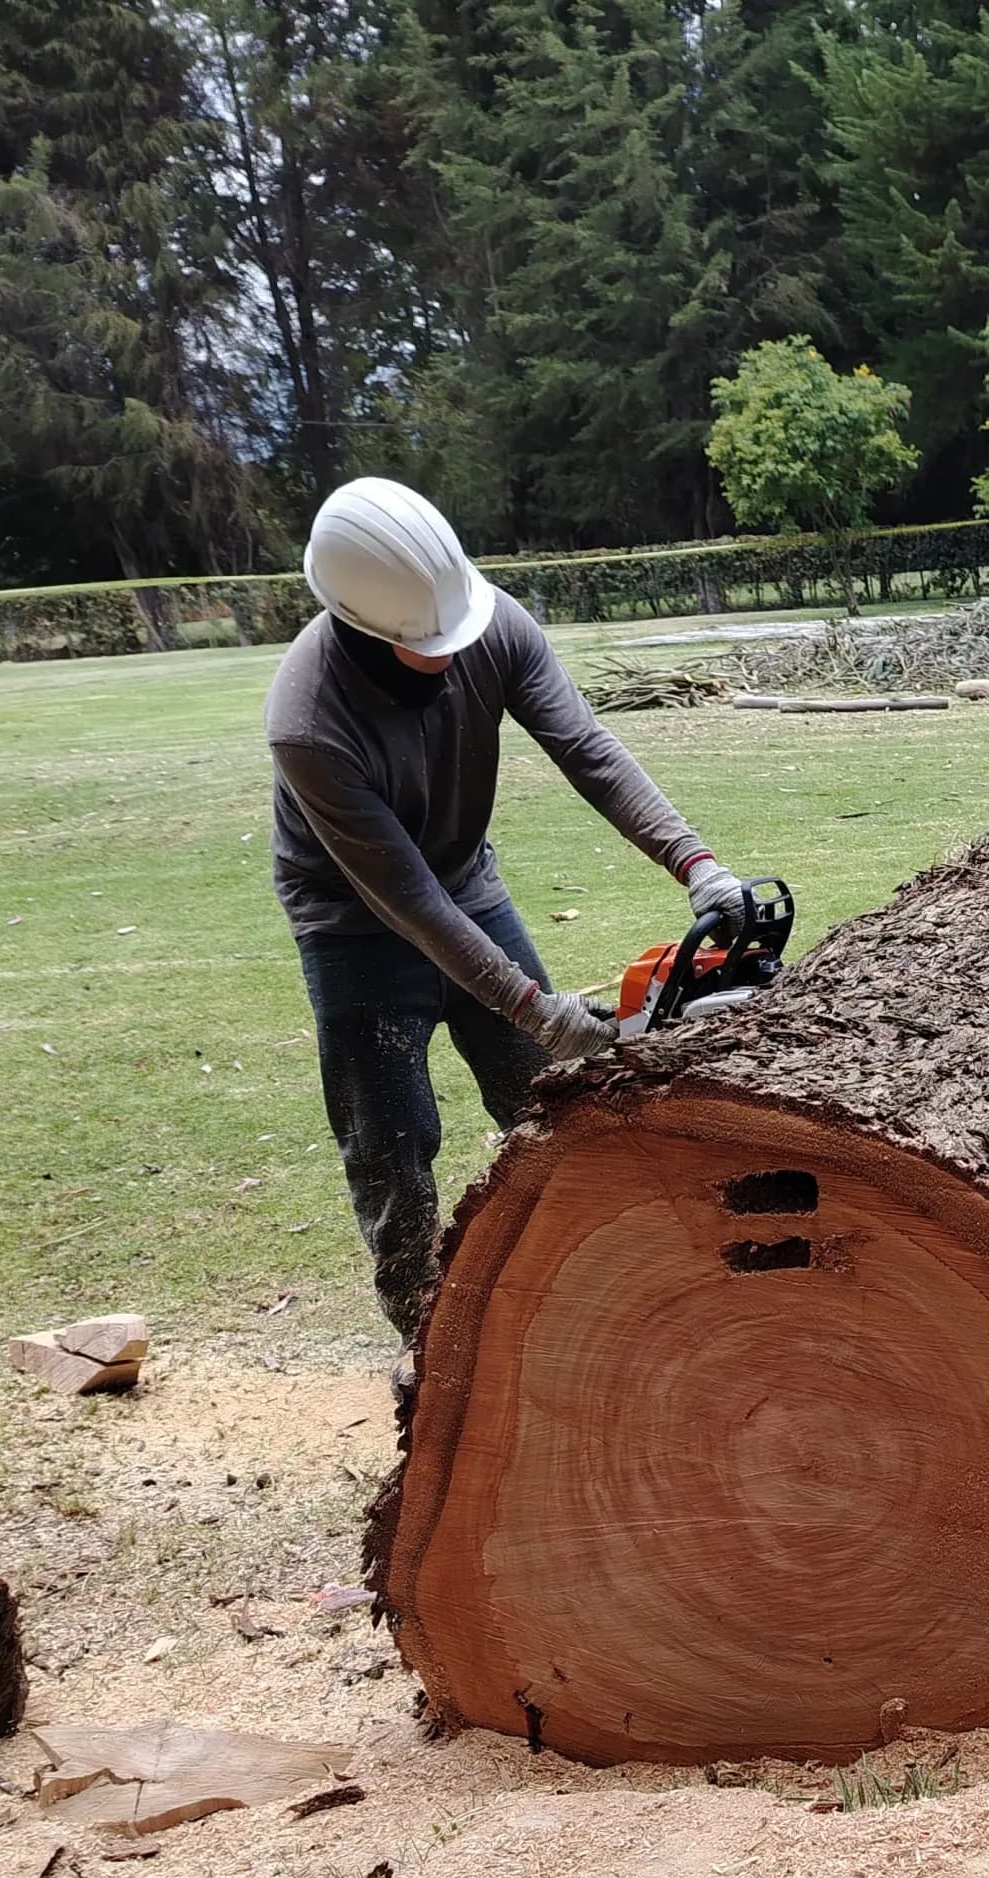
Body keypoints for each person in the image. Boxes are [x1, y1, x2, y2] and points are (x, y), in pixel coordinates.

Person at [266, 476, 754, 1345]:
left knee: (545, 1095)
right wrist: (533, 1005)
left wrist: (697, 863)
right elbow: (406, 897)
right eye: (425, 646)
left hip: (464, 883)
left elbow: (588, 750)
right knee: (391, 1147)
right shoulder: (308, 722)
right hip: (353, 923)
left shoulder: (491, 624)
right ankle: (423, 1337)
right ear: (361, 625)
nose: (448, 654)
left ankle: (603, 1286)